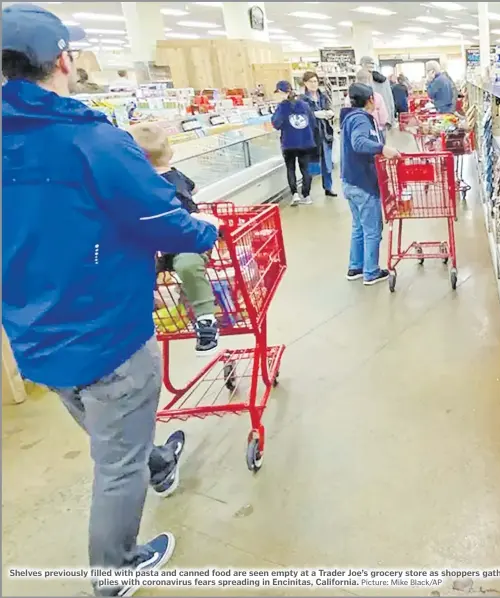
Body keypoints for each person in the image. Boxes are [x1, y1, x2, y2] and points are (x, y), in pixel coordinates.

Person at [2, 4, 219, 596]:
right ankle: (115, 569)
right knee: (115, 462)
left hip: (33, 336)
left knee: (111, 432)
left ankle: (159, 462)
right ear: (64, 60)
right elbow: (161, 219)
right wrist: (206, 231)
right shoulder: (92, 140)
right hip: (106, 333)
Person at [129, 123, 219, 355]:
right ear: (170, 152)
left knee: (186, 263)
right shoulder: (173, 177)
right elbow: (195, 190)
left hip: (185, 241)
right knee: (185, 266)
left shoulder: (147, 182)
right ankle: (152, 308)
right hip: (170, 242)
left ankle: (206, 320)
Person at [340, 83, 400, 286]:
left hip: (350, 182)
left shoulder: (349, 118)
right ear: (371, 100)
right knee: (372, 229)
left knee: (359, 227)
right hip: (362, 183)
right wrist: (383, 148)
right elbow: (359, 143)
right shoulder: (360, 119)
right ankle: (371, 272)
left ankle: (355, 267)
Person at [271, 80, 316, 206]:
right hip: (305, 142)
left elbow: (276, 124)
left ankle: (295, 194)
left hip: (289, 143)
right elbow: (312, 122)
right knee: (306, 169)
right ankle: (307, 196)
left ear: (281, 92)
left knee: (290, 169)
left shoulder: (282, 107)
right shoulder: (304, 104)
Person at [299, 71, 337, 198]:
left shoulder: (323, 96)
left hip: (325, 133)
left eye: (315, 81)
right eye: (310, 81)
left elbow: (330, 108)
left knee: (327, 163)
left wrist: (330, 113)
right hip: (310, 135)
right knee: (310, 164)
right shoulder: (302, 99)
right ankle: (306, 192)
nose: (313, 84)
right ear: (305, 83)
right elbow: (302, 116)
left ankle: (328, 187)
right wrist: (314, 115)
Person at [357, 56, 396, 128]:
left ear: (363, 65)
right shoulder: (385, 80)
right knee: (382, 138)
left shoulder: (366, 80)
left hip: (371, 119)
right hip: (385, 116)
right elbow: (390, 99)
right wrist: (391, 118)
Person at [355, 68, 389, 139]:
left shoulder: (350, 97)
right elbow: (383, 117)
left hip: (358, 131)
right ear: (370, 80)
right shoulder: (376, 96)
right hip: (376, 130)